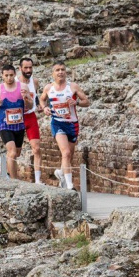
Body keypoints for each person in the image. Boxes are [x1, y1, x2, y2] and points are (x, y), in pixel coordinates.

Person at [40, 62, 90, 190]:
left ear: (65, 72)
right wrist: (44, 108)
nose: (60, 72)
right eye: (57, 70)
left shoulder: (73, 87)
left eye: (62, 69)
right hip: (57, 123)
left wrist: (76, 102)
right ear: (53, 73)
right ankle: (69, 185)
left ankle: (61, 173)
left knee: (69, 155)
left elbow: (87, 102)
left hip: (72, 124)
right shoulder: (49, 88)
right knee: (66, 152)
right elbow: (42, 99)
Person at [0, 64, 34, 180]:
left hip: (19, 125)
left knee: (16, 154)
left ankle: (2, 166)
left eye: (11, 75)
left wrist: (26, 98)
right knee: (12, 152)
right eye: (6, 75)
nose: (9, 78)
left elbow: (30, 105)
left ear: (15, 75)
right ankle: (14, 180)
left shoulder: (23, 87)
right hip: (4, 125)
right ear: (2, 76)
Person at [19, 58, 44, 184]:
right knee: (15, 151)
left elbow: (36, 95)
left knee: (37, 148)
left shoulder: (35, 81)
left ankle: (38, 180)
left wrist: (38, 105)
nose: (28, 70)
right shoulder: (15, 82)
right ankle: (2, 166)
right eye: (26, 68)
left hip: (30, 116)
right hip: (17, 117)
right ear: (20, 68)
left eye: (30, 67)